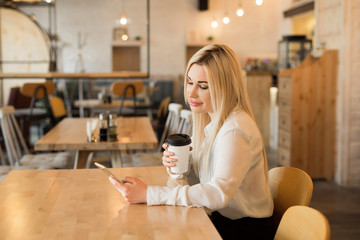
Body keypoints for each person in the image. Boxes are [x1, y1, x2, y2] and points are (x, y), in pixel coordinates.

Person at [109, 43, 276, 239]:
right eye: (190, 82)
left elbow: (217, 194)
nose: (191, 93)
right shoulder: (214, 121)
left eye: (203, 86)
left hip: (244, 230)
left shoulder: (235, 130)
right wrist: (178, 165)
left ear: (226, 87)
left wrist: (149, 194)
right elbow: (204, 181)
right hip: (224, 219)